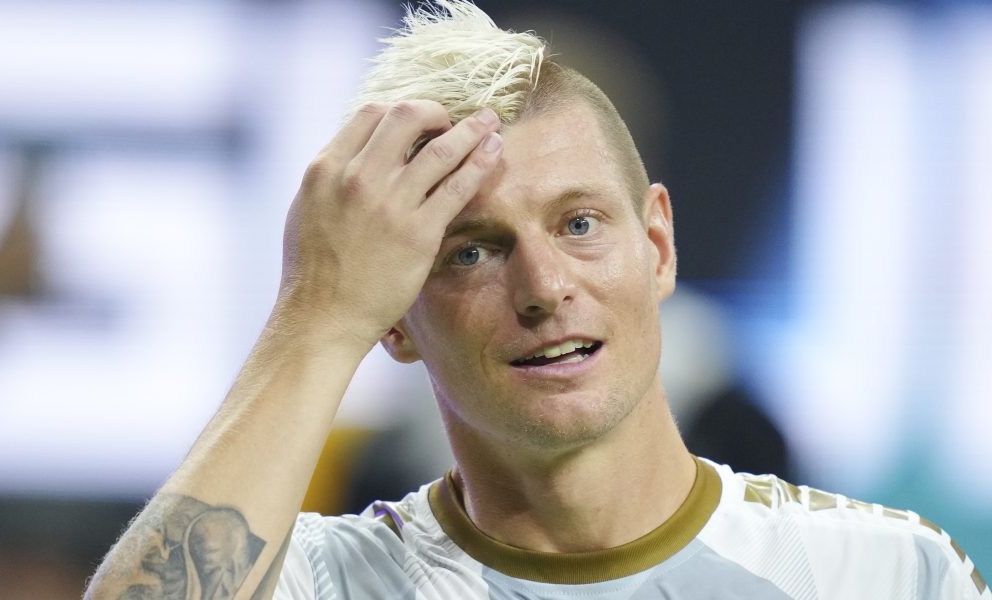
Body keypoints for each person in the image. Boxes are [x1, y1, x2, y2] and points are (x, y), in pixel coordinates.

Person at [85, 1, 989, 598]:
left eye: (581, 224)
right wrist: (316, 316)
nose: (545, 288)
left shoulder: (886, 576)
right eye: (472, 251)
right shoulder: (327, 583)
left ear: (659, 244)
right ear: (392, 318)